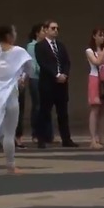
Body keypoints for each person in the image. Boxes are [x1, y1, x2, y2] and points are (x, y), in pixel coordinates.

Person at [0, 0, 33, 173]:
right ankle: (10, 165)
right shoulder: (19, 51)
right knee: (9, 133)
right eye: (14, 32)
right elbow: (31, 69)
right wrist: (22, 77)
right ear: (8, 36)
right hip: (10, 97)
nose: (15, 34)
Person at [34, 19, 77, 148]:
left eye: (57, 28)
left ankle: (66, 139)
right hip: (48, 84)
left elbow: (67, 62)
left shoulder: (61, 45)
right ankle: (41, 139)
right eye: (53, 28)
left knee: (63, 113)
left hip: (62, 84)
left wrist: (64, 74)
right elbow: (43, 63)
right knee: (45, 112)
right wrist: (56, 75)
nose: (55, 31)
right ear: (46, 30)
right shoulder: (40, 46)